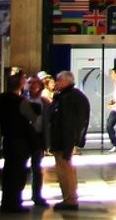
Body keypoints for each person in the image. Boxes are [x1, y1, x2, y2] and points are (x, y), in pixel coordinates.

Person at [50, 70, 90, 211]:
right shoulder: (65, 96)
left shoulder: (70, 97)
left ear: (66, 81)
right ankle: (67, 197)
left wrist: (71, 143)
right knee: (63, 169)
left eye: (58, 80)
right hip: (62, 140)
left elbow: (70, 123)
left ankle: (70, 199)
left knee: (66, 169)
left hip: (64, 140)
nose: (56, 83)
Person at [0, 70, 33, 213]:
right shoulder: (20, 102)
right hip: (19, 141)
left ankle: (6, 202)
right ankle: (14, 203)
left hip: (8, 139)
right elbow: (32, 117)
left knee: (9, 171)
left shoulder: (3, 99)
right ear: (20, 85)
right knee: (17, 173)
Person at [25, 74, 51, 207]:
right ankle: (18, 195)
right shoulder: (23, 101)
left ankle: (37, 195)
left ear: (40, 87)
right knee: (22, 167)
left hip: (39, 137)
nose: (32, 86)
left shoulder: (45, 103)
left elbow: (48, 122)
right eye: (29, 83)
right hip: (24, 138)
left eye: (35, 84)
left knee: (37, 167)